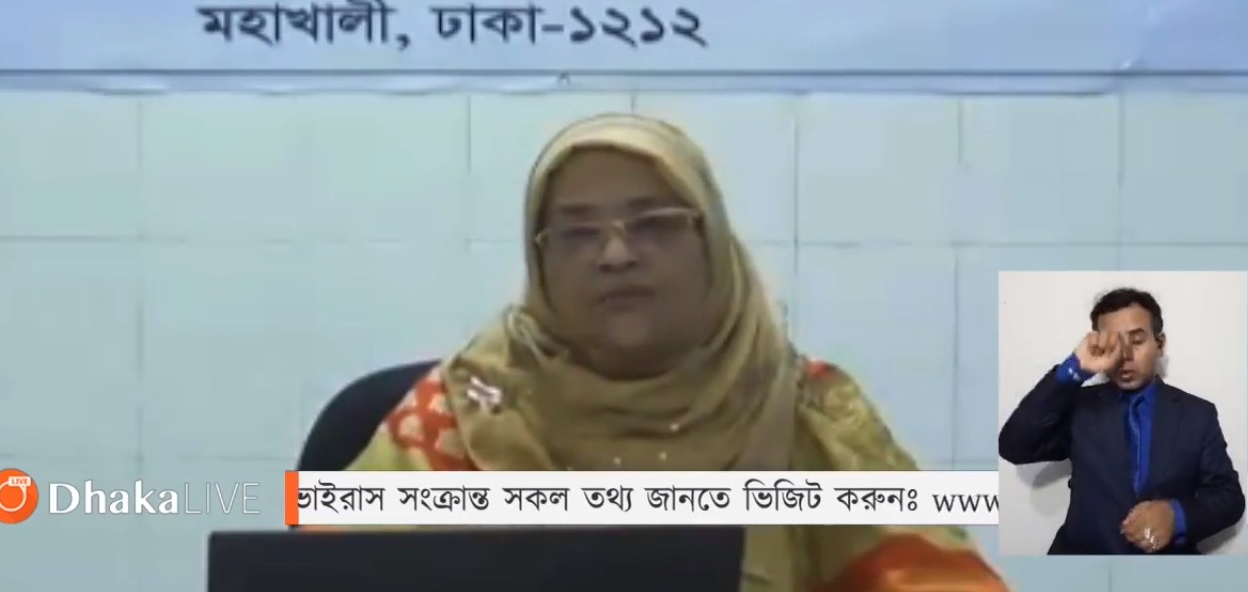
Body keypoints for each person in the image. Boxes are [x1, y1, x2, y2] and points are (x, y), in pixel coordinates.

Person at [344, 113, 1009, 592]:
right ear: (538, 261)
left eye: (654, 224)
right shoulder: (464, 414)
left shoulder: (801, 412)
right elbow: (330, 572)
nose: (615, 255)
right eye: (576, 233)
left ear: (711, 244)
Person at [998, 287, 1245, 555]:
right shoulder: (1080, 406)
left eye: (1137, 341)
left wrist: (1176, 517)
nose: (1125, 355)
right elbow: (1014, 447)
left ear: (1159, 344)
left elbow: (1229, 498)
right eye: (1113, 344)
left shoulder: (1197, 414)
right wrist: (1074, 369)